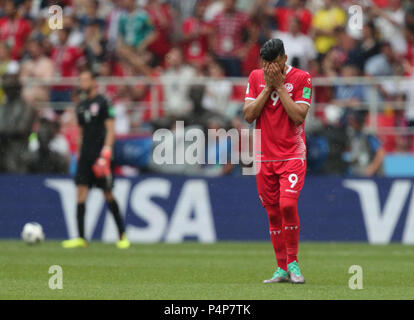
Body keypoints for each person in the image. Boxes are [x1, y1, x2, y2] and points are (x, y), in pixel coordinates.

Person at [243, 39, 312, 284]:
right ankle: (281, 268)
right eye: (265, 63)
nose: (268, 68)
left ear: (283, 59)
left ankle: (293, 262)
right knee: (272, 213)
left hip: (292, 154)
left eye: (273, 62)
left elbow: (298, 117)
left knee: (287, 205)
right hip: (264, 158)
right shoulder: (255, 77)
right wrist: (266, 88)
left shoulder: (302, 78)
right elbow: (249, 115)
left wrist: (280, 88)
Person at [62, 70, 130, 249]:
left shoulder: (103, 102)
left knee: (107, 193)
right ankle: (81, 238)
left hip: (101, 156)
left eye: (86, 79)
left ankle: (122, 236)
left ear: (93, 81)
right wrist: (78, 153)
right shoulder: (81, 105)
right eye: (81, 79)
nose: (83, 82)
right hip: (85, 155)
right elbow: (81, 133)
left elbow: (110, 129)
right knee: (81, 193)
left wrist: (106, 152)